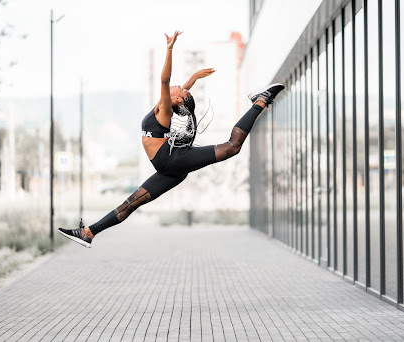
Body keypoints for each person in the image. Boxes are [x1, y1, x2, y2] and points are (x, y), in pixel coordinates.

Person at [59, 31, 284, 248]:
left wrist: (169, 49)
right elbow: (181, 89)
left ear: (175, 99)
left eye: (179, 90)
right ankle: (88, 233)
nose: (179, 85)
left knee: (231, 147)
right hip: (168, 168)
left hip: (172, 160)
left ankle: (260, 102)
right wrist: (194, 77)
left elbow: (165, 80)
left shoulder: (166, 109)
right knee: (131, 203)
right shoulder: (167, 104)